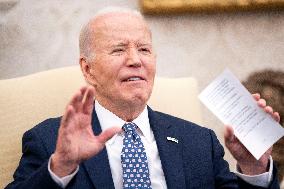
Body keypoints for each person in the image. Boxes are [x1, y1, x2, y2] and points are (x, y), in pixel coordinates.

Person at [5, 7, 281, 189]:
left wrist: (254, 166)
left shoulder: (199, 142)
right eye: (118, 50)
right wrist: (62, 166)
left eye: (144, 49)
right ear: (88, 69)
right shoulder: (49, 140)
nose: (135, 60)